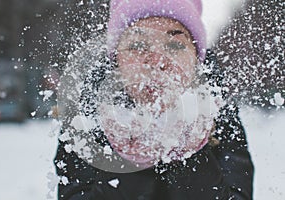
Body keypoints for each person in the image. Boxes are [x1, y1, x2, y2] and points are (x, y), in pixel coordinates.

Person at [54, 0, 254, 199]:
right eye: (138, 45)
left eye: (175, 45)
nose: (158, 62)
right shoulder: (86, 121)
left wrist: (189, 153)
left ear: (195, 62)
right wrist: (129, 163)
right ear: (116, 61)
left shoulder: (218, 117)